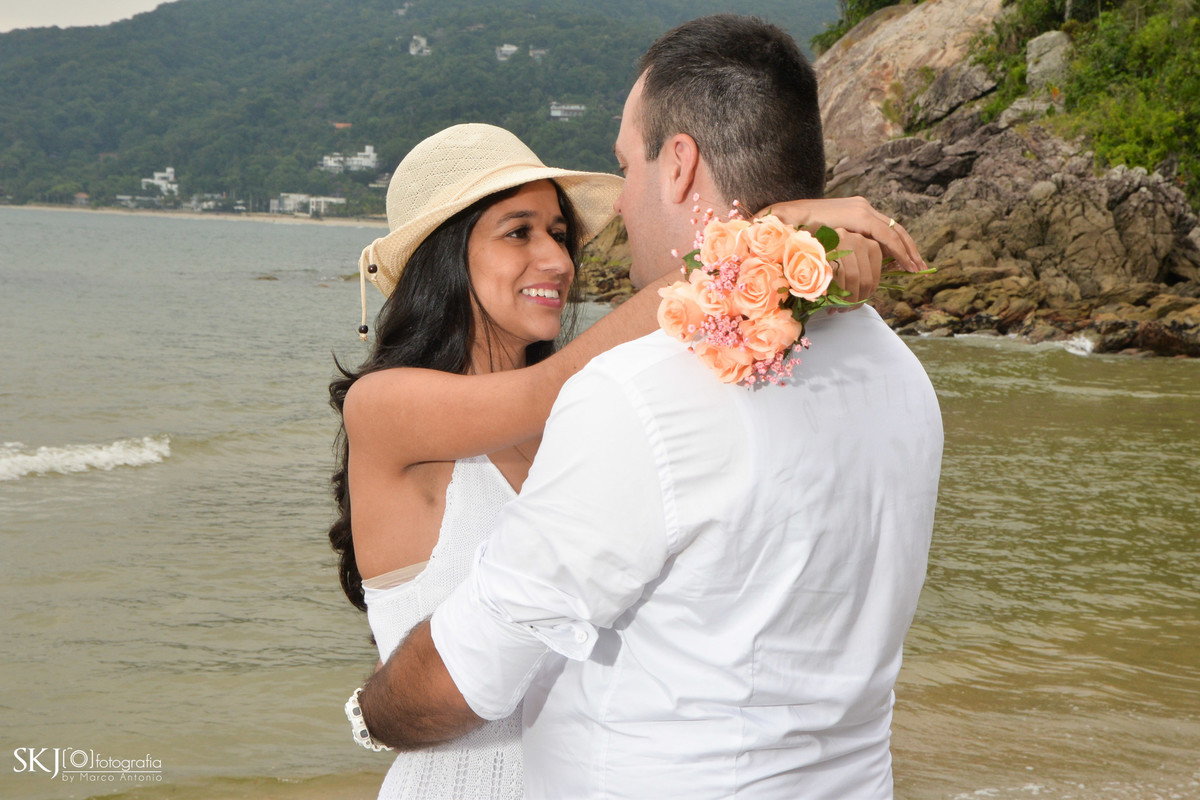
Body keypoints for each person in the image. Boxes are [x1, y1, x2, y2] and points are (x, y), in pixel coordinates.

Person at [353, 14, 943, 800]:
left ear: (678, 166)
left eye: (560, 232)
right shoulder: (903, 380)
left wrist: (760, 245)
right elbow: (550, 388)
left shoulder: (619, 400)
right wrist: (766, 235)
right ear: (443, 260)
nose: (560, 258)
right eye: (517, 233)